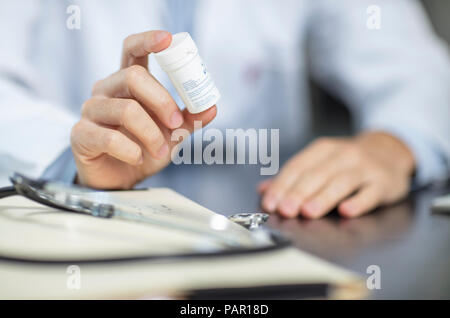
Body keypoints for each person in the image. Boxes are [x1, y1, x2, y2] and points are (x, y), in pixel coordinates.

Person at [1, 0, 449, 219]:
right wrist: (72, 155)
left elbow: (417, 67)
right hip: (82, 210)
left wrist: (396, 144)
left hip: (267, 208)